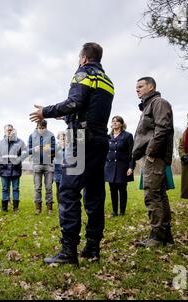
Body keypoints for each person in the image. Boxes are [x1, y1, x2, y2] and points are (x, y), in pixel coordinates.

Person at [30, 42, 114, 264]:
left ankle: (69, 251)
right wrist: (64, 116)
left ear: (84, 58)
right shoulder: (107, 81)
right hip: (99, 140)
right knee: (95, 194)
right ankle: (93, 248)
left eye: (79, 57)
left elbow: (74, 102)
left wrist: (45, 112)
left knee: (68, 192)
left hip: (81, 141)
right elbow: (87, 108)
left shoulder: (83, 73)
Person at [132, 77, 174, 248]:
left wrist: (151, 151)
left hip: (155, 156)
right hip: (151, 155)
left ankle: (156, 237)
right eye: (136, 87)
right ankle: (165, 236)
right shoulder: (148, 105)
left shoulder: (159, 102)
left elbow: (163, 127)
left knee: (152, 195)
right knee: (159, 194)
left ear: (151, 87)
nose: (137, 90)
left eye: (140, 86)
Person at [104, 116, 134, 217]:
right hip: (110, 168)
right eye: (113, 121)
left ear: (121, 124)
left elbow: (131, 153)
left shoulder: (128, 136)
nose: (115, 123)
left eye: (117, 121)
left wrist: (131, 167)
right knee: (112, 190)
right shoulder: (108, 137)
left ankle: (122, 211)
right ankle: (114, 211)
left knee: (122, 190)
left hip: (123, 168)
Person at [0, 124, 27, 213]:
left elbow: (25, 153)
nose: (9, 131)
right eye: (7, 130)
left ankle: (16, 208)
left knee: (15, 188)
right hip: (4, 169)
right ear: (4, 131)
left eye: (11, 130)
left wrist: (18, 160)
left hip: (16, 169)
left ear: (13, 131)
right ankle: (4, 208)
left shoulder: (20, 142)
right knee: (5, 189)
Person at [28, 120, 56, 214]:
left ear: (46, 127)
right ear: (37, 127)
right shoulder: (32, 136)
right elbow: (28, 150)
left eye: (43, 128)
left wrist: (46, 148)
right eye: (39, 128)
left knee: (49, 187)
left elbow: (55, 149)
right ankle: (38, 208)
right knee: (37, 187)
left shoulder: (51, 135)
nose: (41, 130)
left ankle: (49, 208)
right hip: (37, 164)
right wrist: (33, 149)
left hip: (48, 164)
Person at [54, 131, 66, 203]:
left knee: (66, 187)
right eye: (61, 135)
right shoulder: (55, 146)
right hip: (58, 169)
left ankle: (65, 202)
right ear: (58, 137)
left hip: (67, 168)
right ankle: (60, 203)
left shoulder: (69, 146)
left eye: (64, 135)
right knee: (58, 187)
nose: (63, 137)